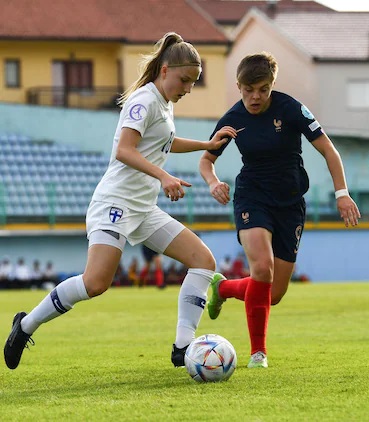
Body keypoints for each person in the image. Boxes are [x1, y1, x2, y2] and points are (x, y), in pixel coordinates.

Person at [4, 32, 239, 370]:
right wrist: (164, 177)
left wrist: (207, 145)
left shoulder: (165, 103)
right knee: (96, 283)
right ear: (165, 70)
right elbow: (124, 150)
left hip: (143, 208)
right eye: (185, 80)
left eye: (193, 82)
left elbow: (162, 143)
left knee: (203, 261)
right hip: (116, 203)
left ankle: (182, 347)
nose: (188, 88)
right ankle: (25, 326)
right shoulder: (144, 101)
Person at [199, 52, 361, 368]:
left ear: (272, 84)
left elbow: (329, 150)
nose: (255, 96)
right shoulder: (233, 118)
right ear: (238, 86)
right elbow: (206, 160)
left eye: (262, 88)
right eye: (248, 90)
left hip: (290, 204)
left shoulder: (291, 108)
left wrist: (342, 194)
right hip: (252, 198)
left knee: (272, 294)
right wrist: (213, 182)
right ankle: (258, 353)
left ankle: (225, 287)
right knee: (262, 268)